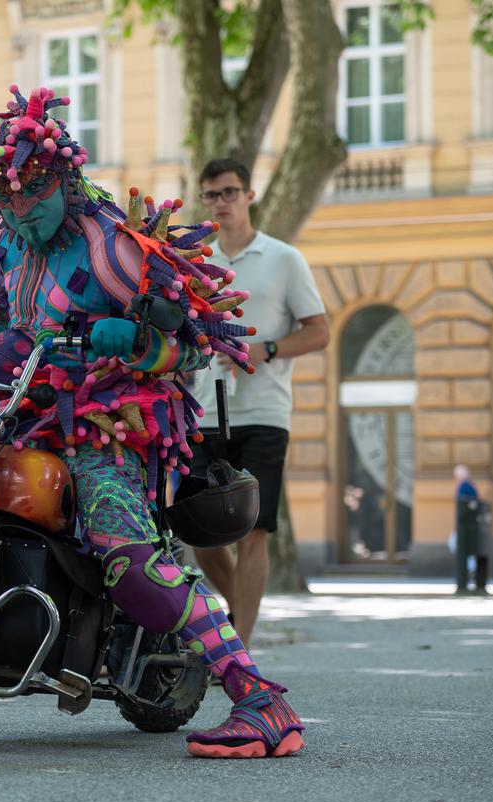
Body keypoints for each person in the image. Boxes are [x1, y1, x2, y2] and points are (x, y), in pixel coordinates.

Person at [0, 86, 305, 757]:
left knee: (124, 552)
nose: (20, 209)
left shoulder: (115, 244)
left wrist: (132, 341)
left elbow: (199, 343)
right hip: (19, 414)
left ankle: (260, 698)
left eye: (33, 190)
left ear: (64, 173)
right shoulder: (0, 237)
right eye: (4, 195)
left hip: (111, 421)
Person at [188, 158, 329, 647]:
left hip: (265, 413)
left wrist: (263, 350)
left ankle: (237, 648)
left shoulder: (284, 258)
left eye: (228, 193)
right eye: (210, 195)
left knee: (254, 531)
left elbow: (320, 331)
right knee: (197, 530)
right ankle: (236, 614)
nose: (220, 204)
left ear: (249, 196)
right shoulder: (196, 263)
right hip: (202, 411)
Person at [454, 465, 489, 594]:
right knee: (470, 554)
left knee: (465, 554)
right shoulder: (470, 486)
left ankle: (468, 578)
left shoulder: (464, 487)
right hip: (472, 528)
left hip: (467, 529)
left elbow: (464, 507)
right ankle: (471, 578)